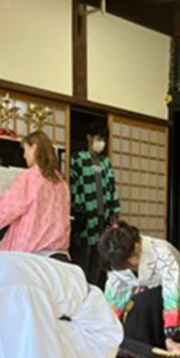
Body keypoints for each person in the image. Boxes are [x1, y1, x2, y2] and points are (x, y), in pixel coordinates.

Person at [99, 221, 180, 353]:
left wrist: (171, 338)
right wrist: (109, 335)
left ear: (137, 245)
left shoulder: (161, 252)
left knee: (143, 301)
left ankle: (156, 339)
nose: (128, 264)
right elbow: (115, 299)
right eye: (123, 263)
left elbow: (172, 291)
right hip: (146, 295)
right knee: (138, 301)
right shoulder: (115, 261)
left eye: (130, 258)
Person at [0, 131, 70, 260]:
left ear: (34, 147)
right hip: (58, 247)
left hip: (32, 247)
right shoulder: (61, 181)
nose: (24, 155)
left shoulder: (29, 176)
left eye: (25, 150)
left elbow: (9, 206)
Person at [70, 120, 120, 286]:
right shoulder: (78, 159)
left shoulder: (105, 162)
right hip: (85, 217)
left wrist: (114, 212)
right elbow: (73, 186)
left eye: (104, 139)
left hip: (102, 218)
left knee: (98, 259)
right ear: (89, 138)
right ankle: (81, 293)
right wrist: (77, 208)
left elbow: (112, 187)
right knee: (82, 258)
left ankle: (94, 293)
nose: (102, 143)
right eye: (99, 138)